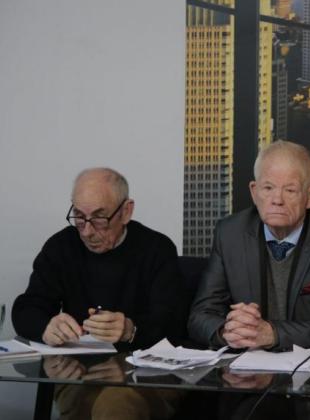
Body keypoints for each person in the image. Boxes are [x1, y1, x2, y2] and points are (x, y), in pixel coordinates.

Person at [12, 167, 186, 419]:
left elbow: (174, 324)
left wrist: (131, 330)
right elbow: (27, 308)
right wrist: (46, 326)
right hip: (78, 370)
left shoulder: (156, 249)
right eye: (79, 217)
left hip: (145, 372)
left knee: (116, 402)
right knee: (91, 401)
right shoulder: (61, 246)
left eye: (99, 218)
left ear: (126, 211)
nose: (87, 231)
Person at [188, 140, 310, 352]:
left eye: (290, 190)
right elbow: (200, 316)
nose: (277, 199)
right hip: (245, 366)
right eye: (268, 188)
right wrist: (228, 331)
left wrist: (272, 334)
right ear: (254, 191)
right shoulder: (230, 233)